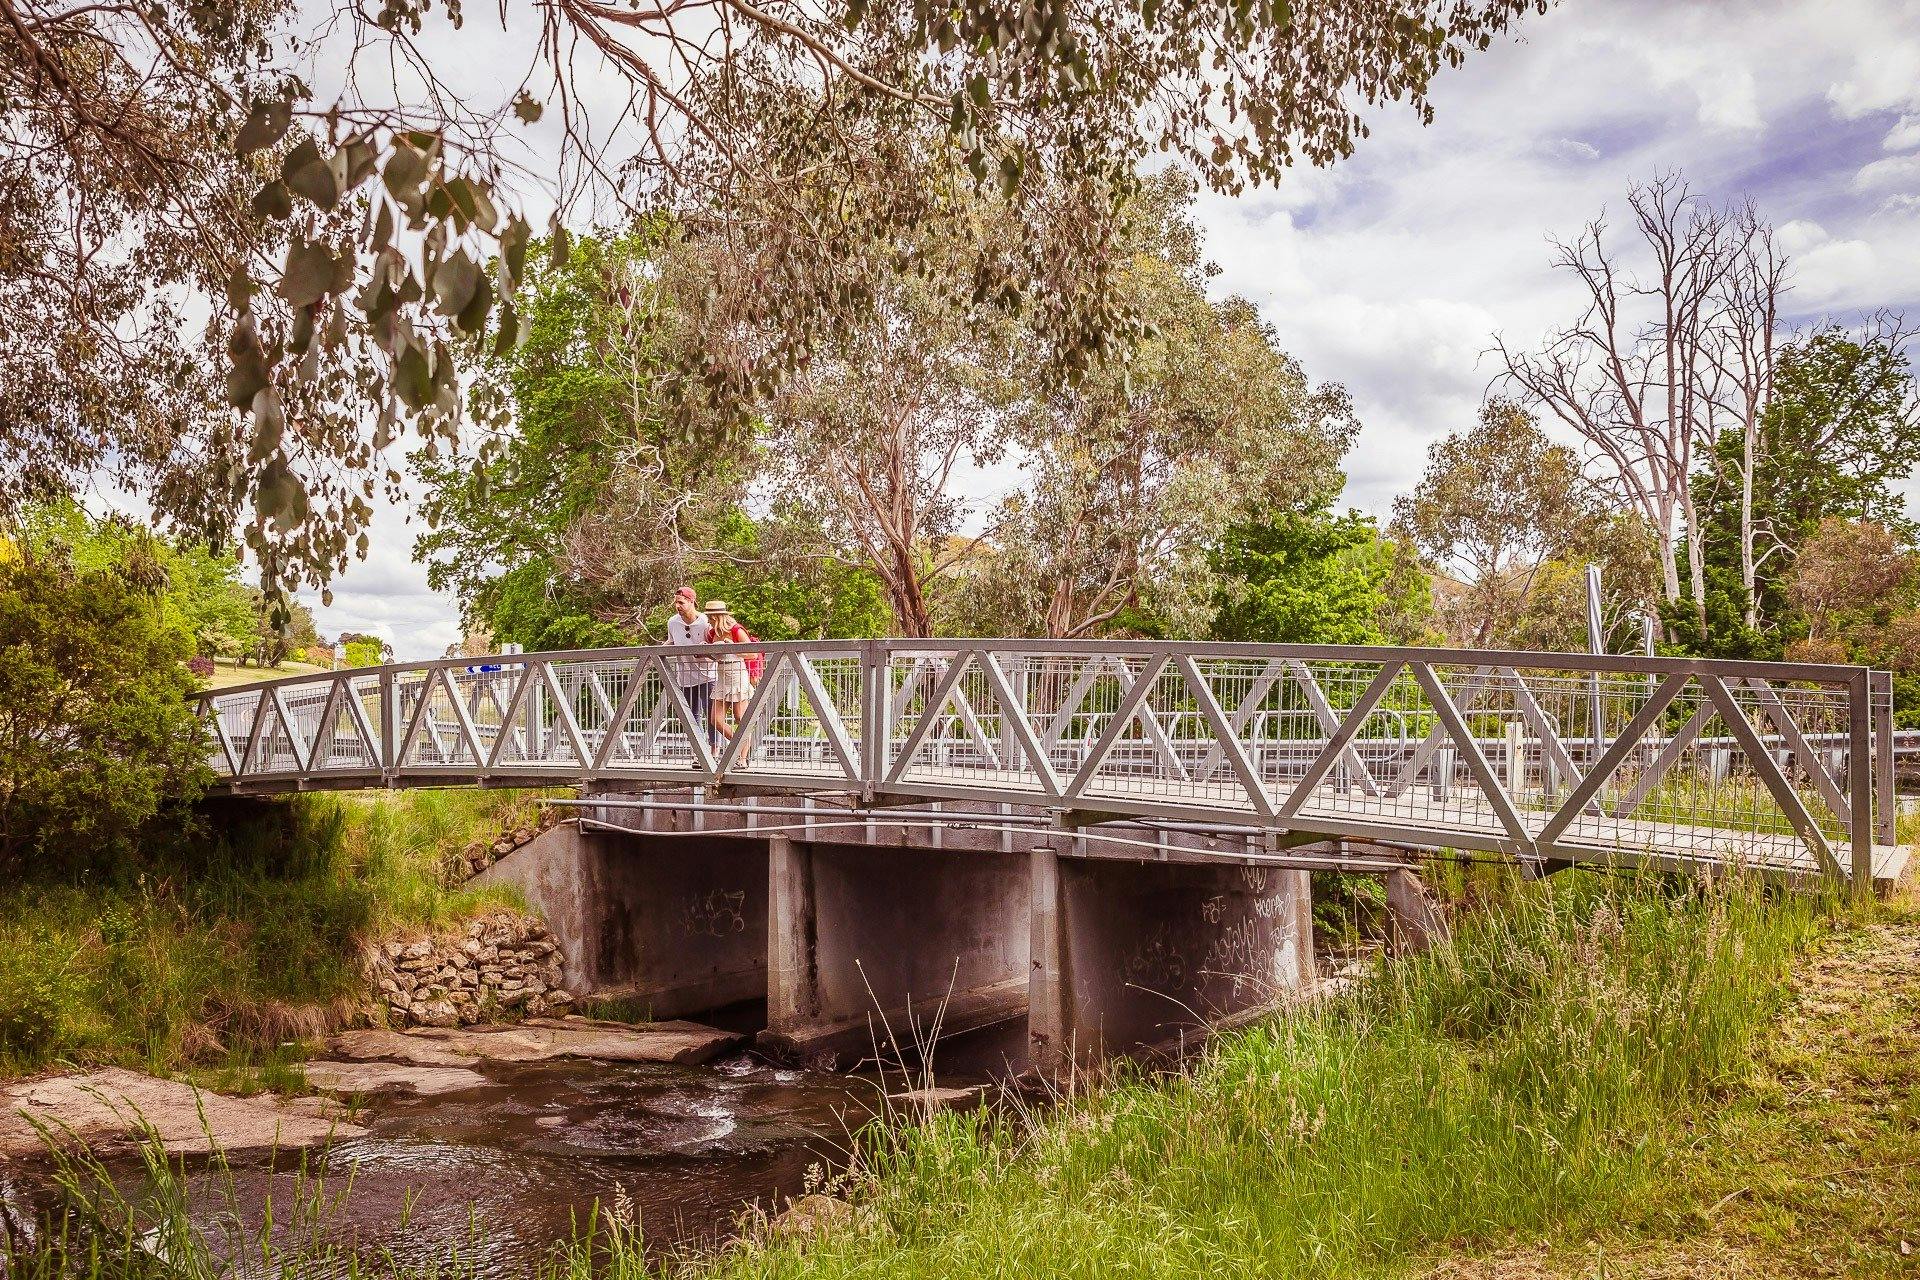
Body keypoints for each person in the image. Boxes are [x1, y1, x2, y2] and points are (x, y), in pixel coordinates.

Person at [665, 586, 716, 746]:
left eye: (681, 603)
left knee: (712, 715)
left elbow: (715, 646)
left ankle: (714, 750)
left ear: (691, 601)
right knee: (692, 716)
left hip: (708, 675)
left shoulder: (705, 622)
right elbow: (671, 642)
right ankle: (700, 752)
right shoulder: (673, 622)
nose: (677, 606)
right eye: (676, 603)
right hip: (686, 676)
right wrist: (655, 653)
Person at [705, 600, 757, 749]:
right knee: (716, 719)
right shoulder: (712, 633)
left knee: (740, 717)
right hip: (721, 676)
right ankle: (738, 745)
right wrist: (705, 652)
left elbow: (753, 654)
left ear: (716, 617)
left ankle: (742, 757)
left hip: (737, 675)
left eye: (710, 617)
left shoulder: (736, 630)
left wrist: (733, 649)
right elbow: (716, 657)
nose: (709, 620)